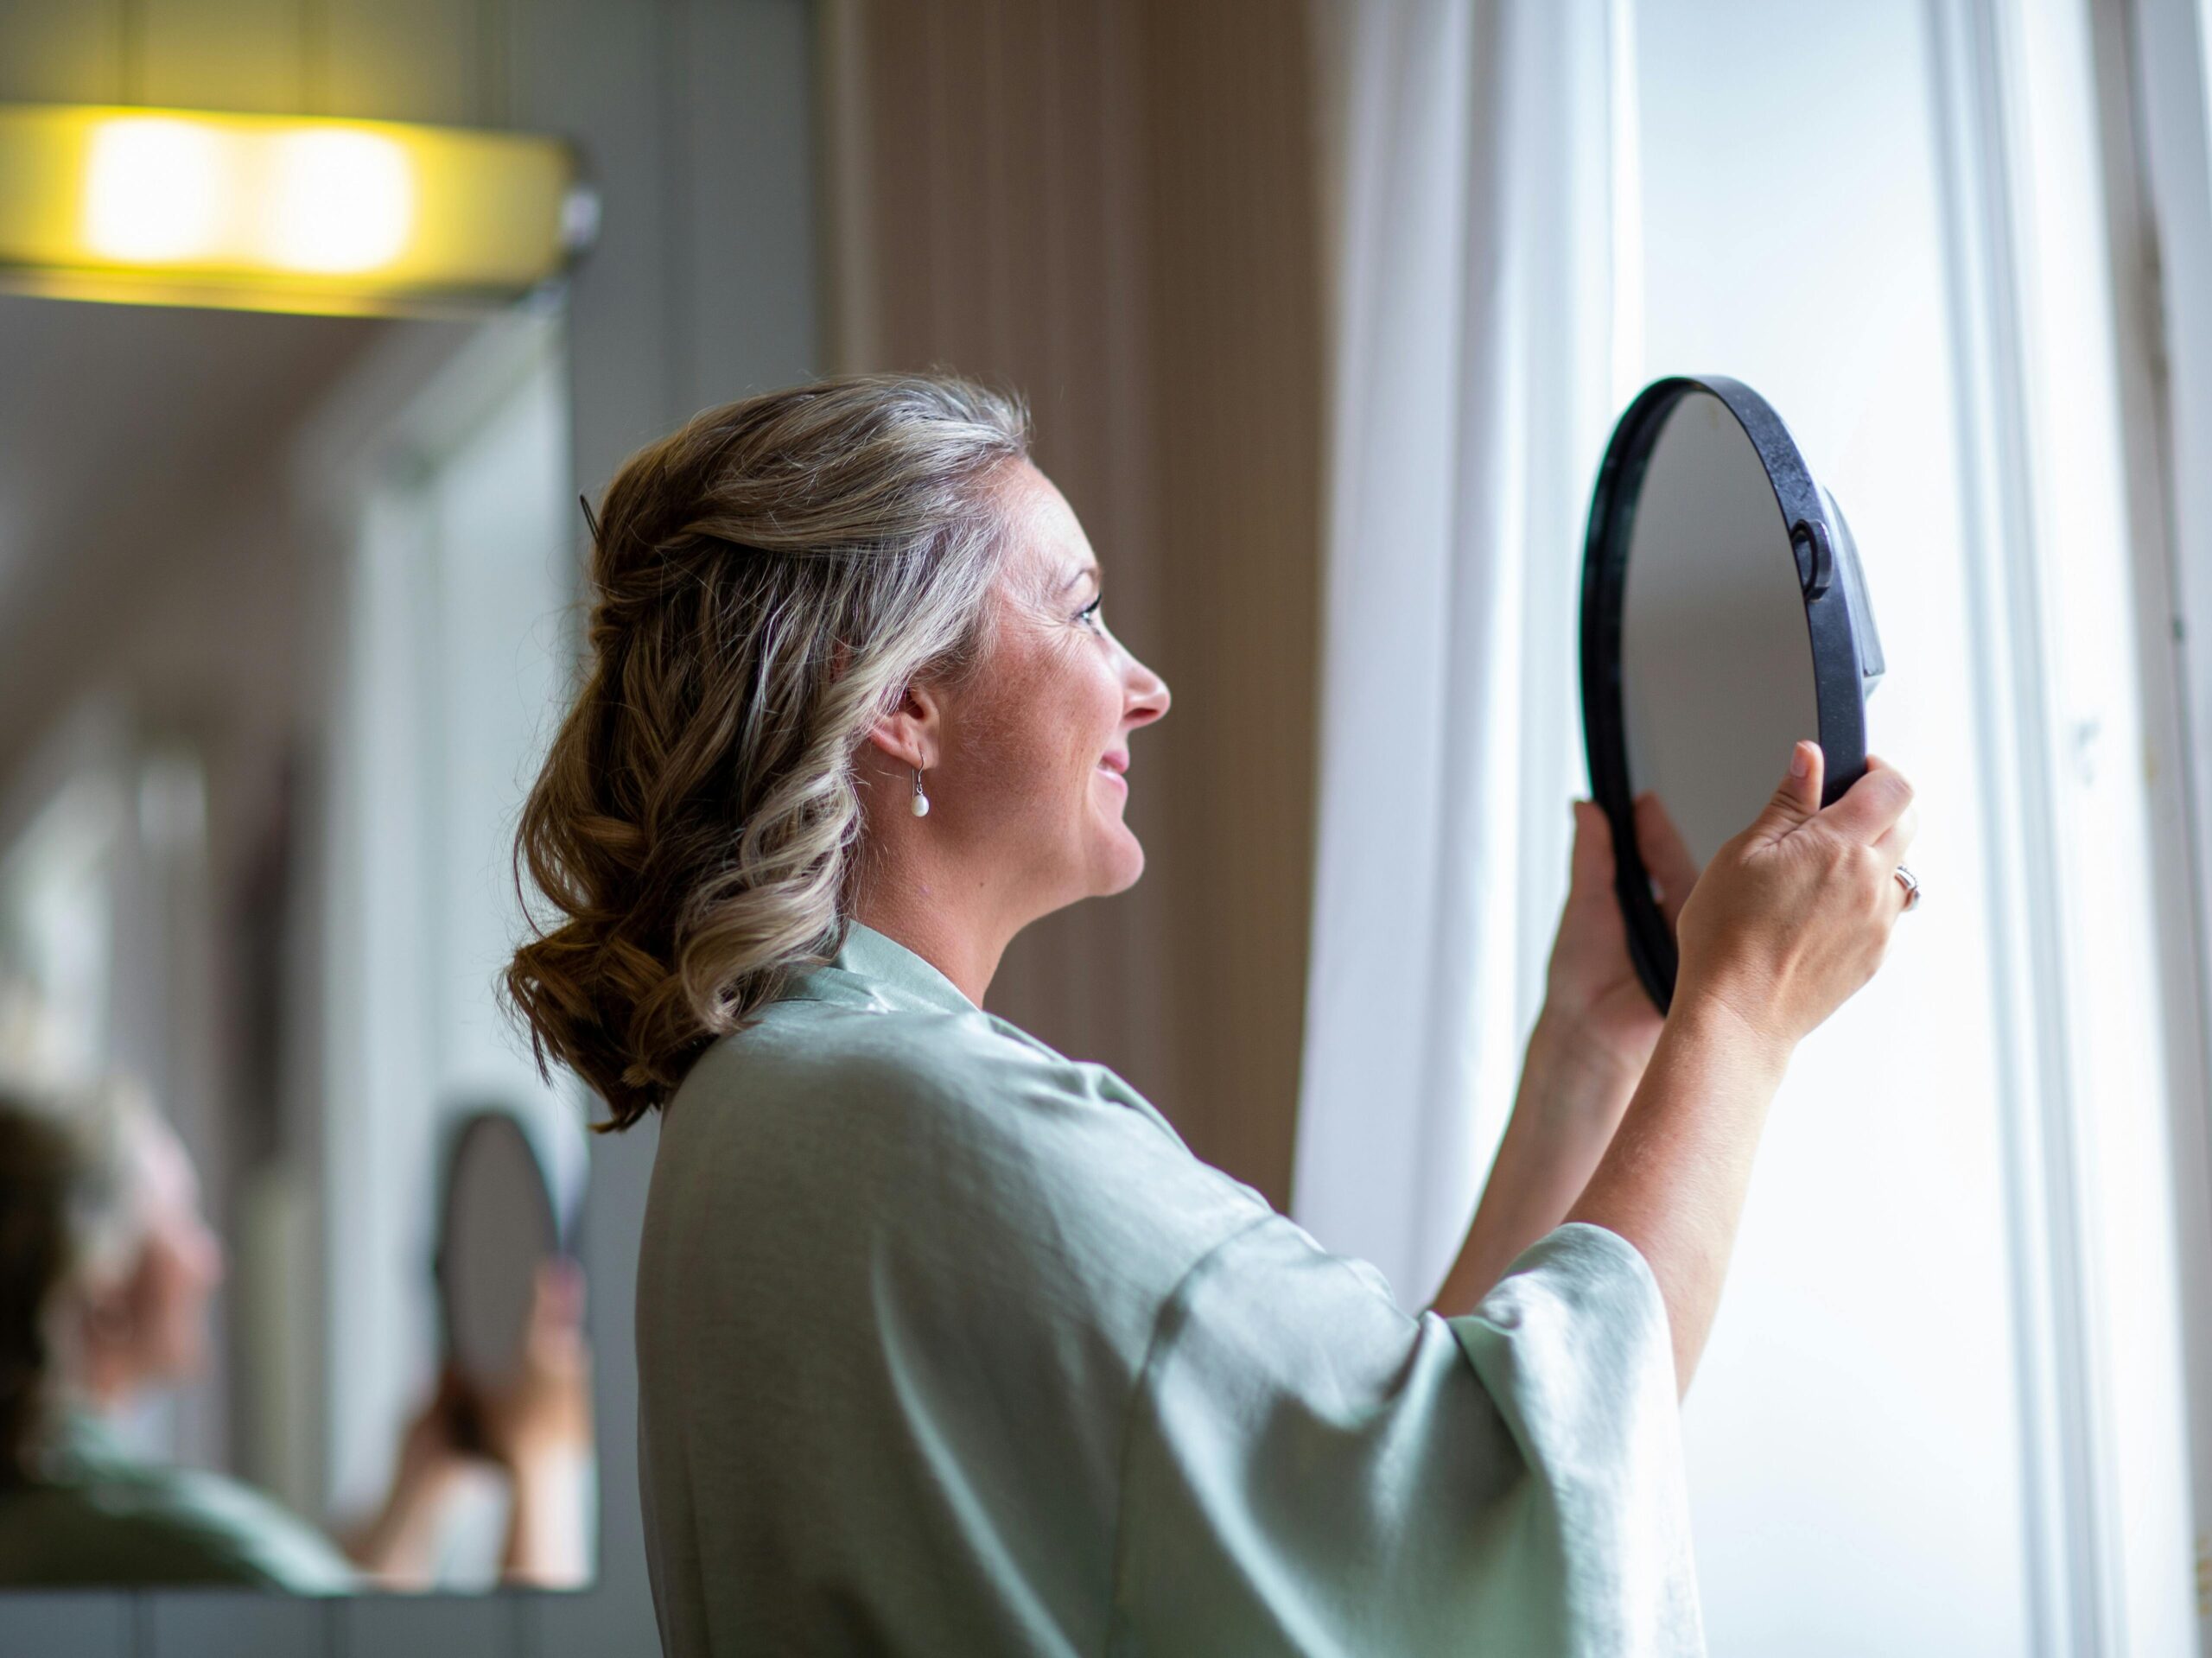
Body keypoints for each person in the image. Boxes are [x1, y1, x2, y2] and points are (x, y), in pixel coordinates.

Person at [505, 374, 1917, 1655]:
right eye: (1080, 607)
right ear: (900, 697)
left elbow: (1353, 1496)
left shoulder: (778, 1102)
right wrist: (1738, 1014)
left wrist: (1590, 1041)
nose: (1147, 682)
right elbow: (1468, 1512)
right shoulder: (931, 1122)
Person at [0, 1073, 590, 1590]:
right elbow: (322, 1624)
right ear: (99, 1277)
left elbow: (339, 1625)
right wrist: (541, 1465)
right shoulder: (158, 1540)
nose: (213, 1259)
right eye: (182, 1218)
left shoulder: (45, 1512)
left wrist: (420, 1486)